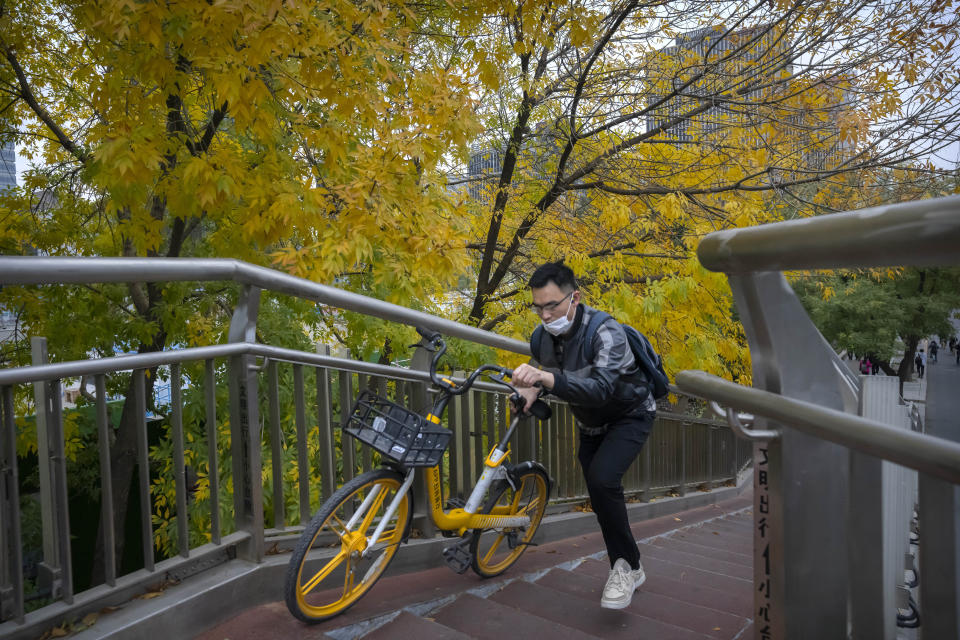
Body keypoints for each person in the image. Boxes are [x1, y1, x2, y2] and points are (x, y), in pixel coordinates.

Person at [511, 261, 655, 610]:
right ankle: (631, 565)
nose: (545, 315)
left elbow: (601, 388)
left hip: (629, 414)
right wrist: (532, 391)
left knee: (604, 480)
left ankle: (623, 567)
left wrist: (546, 381)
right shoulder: (541, 337)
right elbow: (547, 370)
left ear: (575, 297)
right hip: (590, 423)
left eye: (552, 305)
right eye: (538, 306)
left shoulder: (606, 332)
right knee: (599, 490)